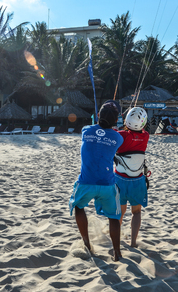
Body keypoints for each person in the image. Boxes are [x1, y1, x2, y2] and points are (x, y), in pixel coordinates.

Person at [69, 100, 124, 261]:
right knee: (113, 216)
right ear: (116, 120)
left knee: (79, 207)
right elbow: (109, 145)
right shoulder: (117, 137)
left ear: (98, 115)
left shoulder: (86, 131)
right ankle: (117, 252)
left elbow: (95, 138)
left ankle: (87, 244)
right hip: (107, 184)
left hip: (86, 182)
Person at [114, 107, 149, 247]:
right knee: (136, 212)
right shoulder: (146, 136)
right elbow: (140, 131)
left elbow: (114, 133)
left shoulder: (120, 135)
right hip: (137, 180)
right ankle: (133, 242)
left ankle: (116, 240)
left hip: (120, 180)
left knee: (120, 213)